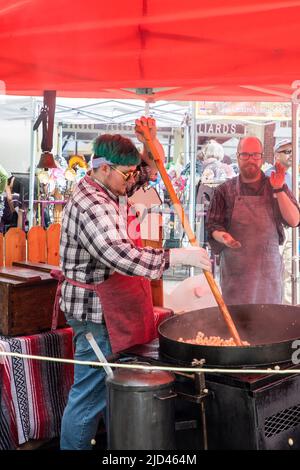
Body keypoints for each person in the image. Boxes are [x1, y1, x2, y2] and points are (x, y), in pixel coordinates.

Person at [56, 118, 212, 450]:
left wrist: (150, 141)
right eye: (126, 174)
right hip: (95, 315)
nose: (132, 180)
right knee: (89, 398)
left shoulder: (114, 184)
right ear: (104, 168)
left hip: (116, 309)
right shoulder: (90, 205)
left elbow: (146, 171)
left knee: (110, 393)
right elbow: (121, 256)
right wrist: (176, 257)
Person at [206, 136, 299, 305]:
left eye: (255, 155)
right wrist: (223, 237)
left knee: (268, 325)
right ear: (237, 156)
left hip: (268, 276)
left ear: (262, 157)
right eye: (246, 155)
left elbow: (294, 220)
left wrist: (279, 189)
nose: (251, 160)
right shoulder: (224, 191)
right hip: (236, 276)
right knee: (237, 326)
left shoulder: (275, 185)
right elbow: (213, 225)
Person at [265, 139, 293, 304]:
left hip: (289, 229)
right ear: (276, 155)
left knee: (289, 271)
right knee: (274, 271)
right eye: (287, 152)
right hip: (275, 229)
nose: (291, 155)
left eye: (292, 151)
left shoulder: (290, 176)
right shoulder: (270, 175)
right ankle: (273, 306)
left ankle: (287, 306)